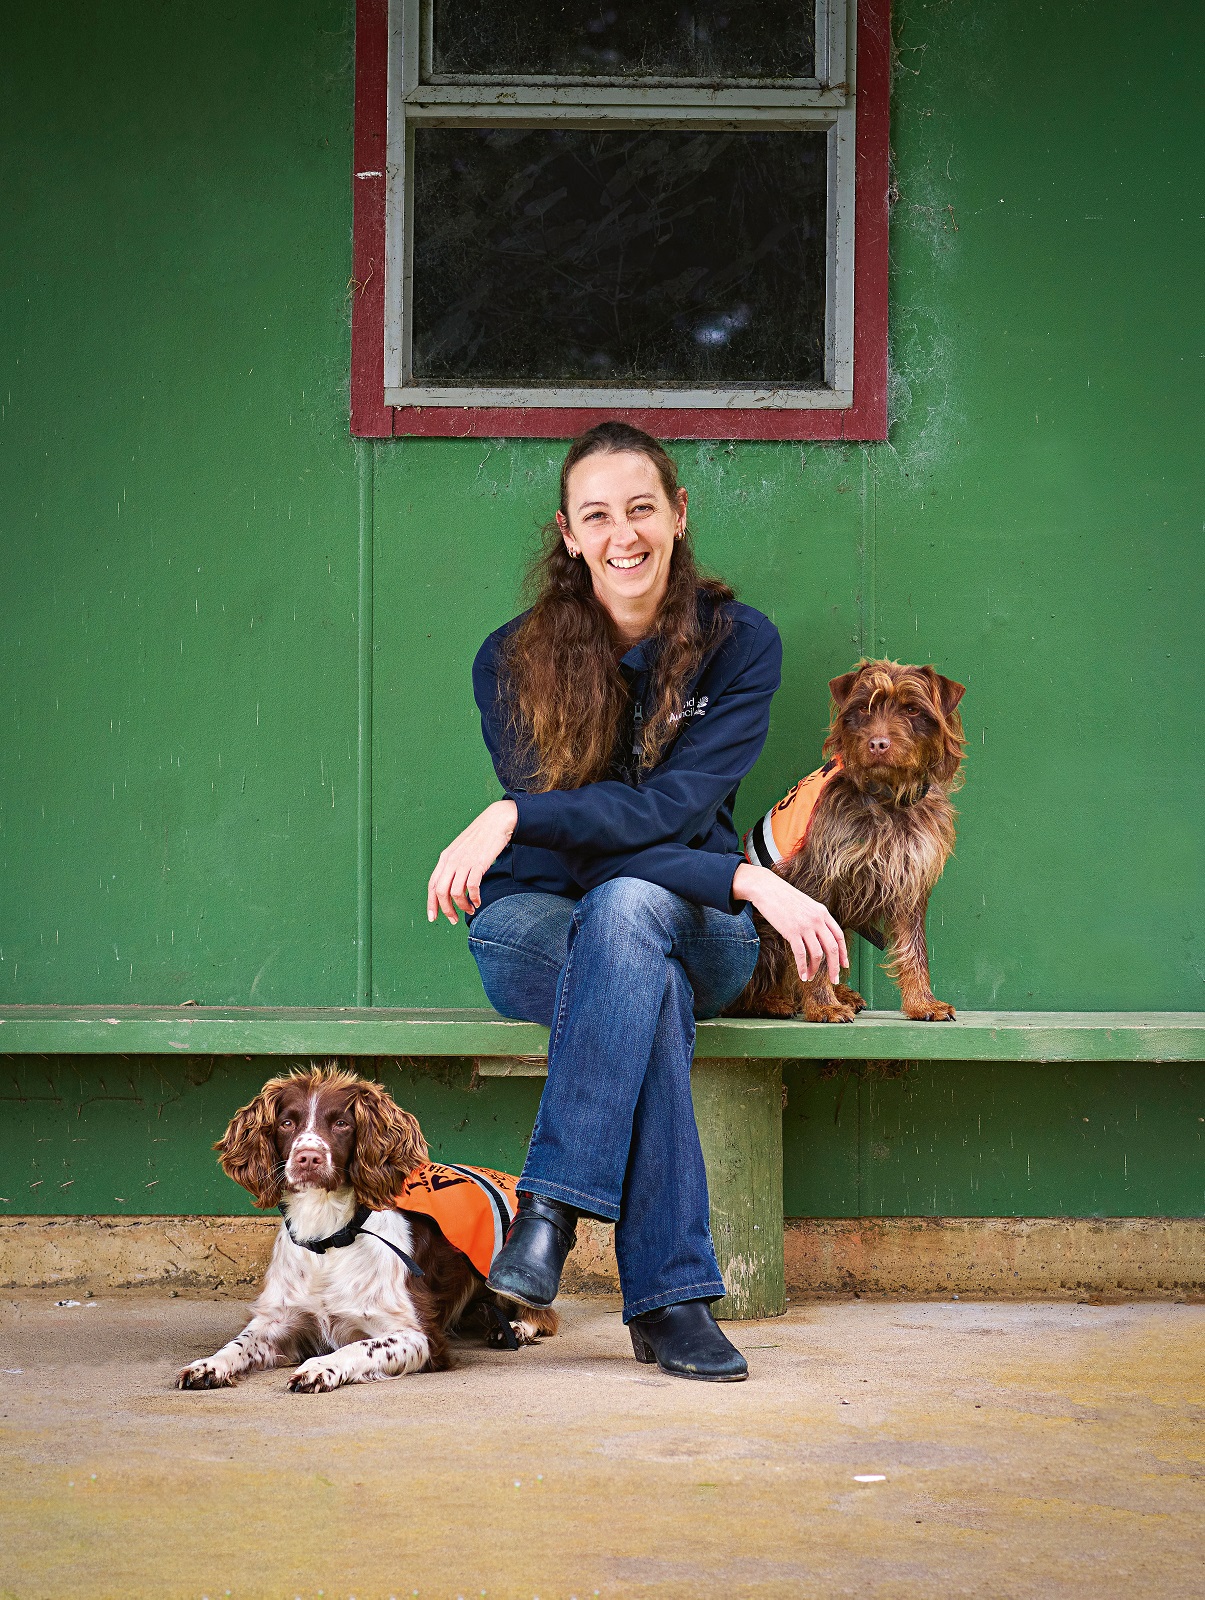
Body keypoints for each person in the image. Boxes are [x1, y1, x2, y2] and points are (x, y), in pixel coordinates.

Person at [427, 422, 847, 1381]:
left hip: (694, 931)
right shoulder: (510, 658)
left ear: (678, 514)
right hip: (535, 926)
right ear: (568, 535)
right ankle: (669, 1304)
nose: (624, 534)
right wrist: (739, 875)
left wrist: (513, 815)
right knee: (623, 943)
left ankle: (551, 1212)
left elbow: (669, 810)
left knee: (630, 911)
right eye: (598, 514)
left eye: (642, 508)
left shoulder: (738, 645)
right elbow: (576, 860)